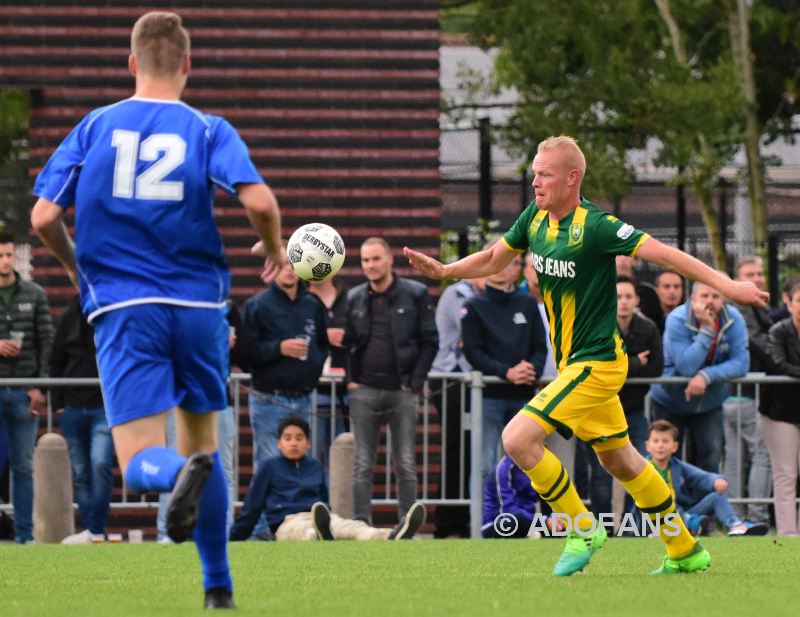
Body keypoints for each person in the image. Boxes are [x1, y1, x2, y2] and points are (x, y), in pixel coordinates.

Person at [403, 135, 768, 576]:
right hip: (575, 364)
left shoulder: (596, 226)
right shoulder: (535, 217)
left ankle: (581, 528)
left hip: (596, 363)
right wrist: (446, 270)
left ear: (572, 178)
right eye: (534, 172)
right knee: (621, 459)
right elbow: (496, 257)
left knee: (517, 439)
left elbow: (668, 254)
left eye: (544, 174)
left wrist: (728, 287)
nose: (534, 181)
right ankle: (685, 549)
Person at [31, 11, 285, 609]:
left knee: (142, 459)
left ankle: (174, 479)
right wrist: (274, 250)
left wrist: (74, 265)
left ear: (131, 64)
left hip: (125, 308)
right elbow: (262, 201)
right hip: (200, 308)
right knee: (203, 448)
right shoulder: (206, 128)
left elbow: (42, 217)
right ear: (188, 65)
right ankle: (218, 588)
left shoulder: (95, 126)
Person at [344, 236, 438, 525]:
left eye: (375, 259)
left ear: (389, 260)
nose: (370, 265)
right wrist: (351, 380)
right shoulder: (354, 297)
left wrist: (415, 383)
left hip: (402, 391)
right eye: (364, 260)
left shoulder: (416, 293)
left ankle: (407, 524)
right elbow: (347, 344)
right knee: (362, 464)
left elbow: (430, 341)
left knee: (406, 463)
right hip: (365, 391)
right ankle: (361, 524)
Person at [229, 416, 425, 541]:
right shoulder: (269, 467)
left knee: (353, 527)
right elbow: (252, 508)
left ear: (308, 443)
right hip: (287, 522)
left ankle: (391, 535)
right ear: (279, 443)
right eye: (288, 438)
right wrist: (234, 537)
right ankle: (320, 535)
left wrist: (327, 516)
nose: (294, 443)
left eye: (299, 438)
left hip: (320, 516)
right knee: (305, 534)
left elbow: (323, 499)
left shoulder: (314, 465)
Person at [156, 302, 247, 543]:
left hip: (219, 398)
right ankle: (168, 532)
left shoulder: (228, 308)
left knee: (223, 467)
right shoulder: (176, 306)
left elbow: (245, 354)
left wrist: (229, 349)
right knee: (178, 463)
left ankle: (222, 530)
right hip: (181, 397)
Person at [576, 274, 663, 519]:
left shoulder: (648, 327)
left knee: (636, 469)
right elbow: (597, 365)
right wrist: (635, 362)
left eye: (628, 296)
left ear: (636, 299)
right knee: (601, 473)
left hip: (633, 410)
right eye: (618, 296)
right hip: (600, 410)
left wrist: (618, 367)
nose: (623, 302)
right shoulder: (596, 325)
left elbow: (656, 366)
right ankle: (602, 526)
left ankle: (630, 525)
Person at [461, 252, 547, 481]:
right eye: (494, 261)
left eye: (507, 262)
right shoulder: (473, 306)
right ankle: (485, 519)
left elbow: (541, 347)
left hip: (525, 396)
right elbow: (474, 352)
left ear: (517, 268)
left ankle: (520, 518)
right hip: (489, 397)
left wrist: (532, 370)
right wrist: (506, 372)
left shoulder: (528, 304)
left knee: (525, 467)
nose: (500, 268)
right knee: (485, 466)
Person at [649, 281, 749, 473]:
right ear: (693, 298)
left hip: (709, 403)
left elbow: (741, 363)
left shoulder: (734, 319)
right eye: (704, 296)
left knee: (710, 457)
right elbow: (686, 366)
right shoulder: (677, 318)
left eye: (716, 296)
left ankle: (704, 503)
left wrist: (706, 375)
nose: (710, 301)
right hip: (669, 401)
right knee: (666, 460)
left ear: (724, 299)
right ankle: (671, 503)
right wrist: (707, 330)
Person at [0, 231, 53, 544]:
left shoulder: (34, 294)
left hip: (23, 391)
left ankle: (24, 535)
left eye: (9, 255)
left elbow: (46, 343)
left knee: (23, 466)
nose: (5, 261)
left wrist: (39, 387)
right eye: (0, 255)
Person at [51, 295, 114, 544]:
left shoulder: (110, 315)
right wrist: (58, 404)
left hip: (103, 407)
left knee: (100, 465)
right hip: (73, 407)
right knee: (81, 473)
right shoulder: (68, 316)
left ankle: (95, 529)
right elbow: (56, 360)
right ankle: (92, 530)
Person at [637, 420, 768, 536]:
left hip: (682, 513)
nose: (660, 445)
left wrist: (716, 480)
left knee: (717, 496)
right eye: (656, 441)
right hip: (651, 519)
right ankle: (689, 523)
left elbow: (701, 477)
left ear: (675, 447)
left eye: (665, 441)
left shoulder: (678, 466)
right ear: (648, 446)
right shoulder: (642, 467)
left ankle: (736, 525)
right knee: (662, 500)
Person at [429, 274, 484, 538]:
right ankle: (449, 523)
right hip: (451, 379)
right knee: (456, 451)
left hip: (477, 380)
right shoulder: (457, 293)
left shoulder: (495, 295)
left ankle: (475, 519)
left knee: (477, 453)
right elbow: (471, 336)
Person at [722, 256, 772, 526]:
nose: (757, 278)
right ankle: (756, 516)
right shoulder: (740, 306)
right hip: (745, 392)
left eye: (760, 273)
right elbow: (759, 342)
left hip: (735, 392)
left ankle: (735, 518)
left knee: (734, 457)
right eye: (750, 273)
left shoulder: (756, 306)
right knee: (759, 455)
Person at [760, 279, 800, 536]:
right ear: (790, 303)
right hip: (779, 412)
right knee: (785, 474)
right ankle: (788, 535)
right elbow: (778, 364)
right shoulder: (778, 331)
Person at [307, 276, 349, 465]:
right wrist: (324, 336)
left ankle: (338, 495)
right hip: (309, 391)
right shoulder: (300, 298)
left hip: (346, 392)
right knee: (310, 454)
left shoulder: (349, 297)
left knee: (343, 457)